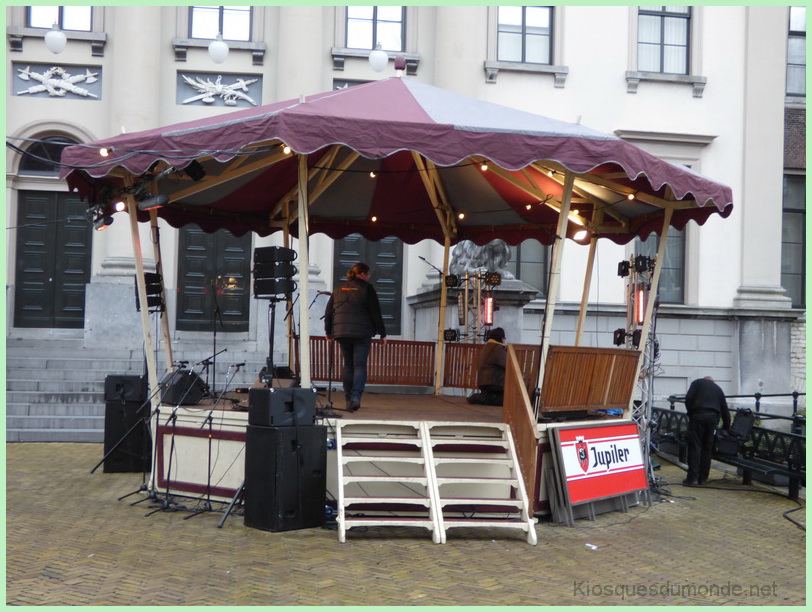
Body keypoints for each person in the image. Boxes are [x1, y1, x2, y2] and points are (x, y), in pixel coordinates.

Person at [324, 263, 387, 412]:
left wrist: (328, 331)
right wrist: (382, 333)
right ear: (362, 274)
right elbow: (375, 313)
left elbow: (328, 312)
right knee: (359, 365)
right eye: (368, 274)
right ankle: (355, 397)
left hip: (342, 332)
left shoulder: (338, 289)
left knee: (348, 365)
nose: (369, 277)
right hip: (362, 333)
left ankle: (347, 399)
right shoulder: (367, 289)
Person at [683, 376, 731, 486]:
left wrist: (691, 414)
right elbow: (725, 410)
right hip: (712, 418)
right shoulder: (718, 389)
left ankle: (692, 478)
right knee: (707, 448)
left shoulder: (697, 383)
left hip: (698, 415)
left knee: (695, 446)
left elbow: (688, 399)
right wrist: (726, 428)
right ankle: (703, 479)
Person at [474, 327, 507, 406]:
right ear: (501, 338)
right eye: (504, 338)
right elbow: (507, 364)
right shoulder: (498, 348)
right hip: (494, 383)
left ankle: (482, 398)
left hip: (483, 383)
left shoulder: (485, 347)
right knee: (505, 401)